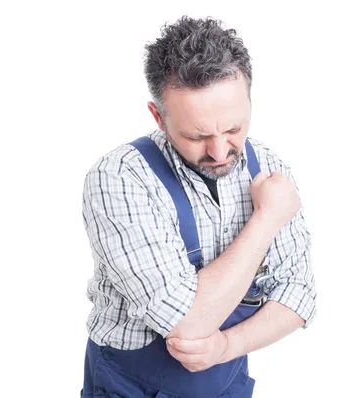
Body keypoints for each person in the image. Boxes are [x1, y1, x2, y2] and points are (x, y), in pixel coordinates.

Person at [80, 16, 317, 398]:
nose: (221, 151)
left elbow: (299, 295)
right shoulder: (120, 179)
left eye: (235, 129)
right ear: (158, 116)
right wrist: (267, 218)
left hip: (227, 383)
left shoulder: (269, 168)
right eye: (197, 136)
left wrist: (226, 347)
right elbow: (187, 324)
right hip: (131, 387)